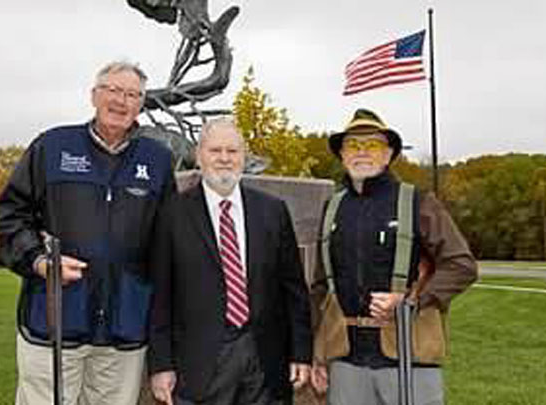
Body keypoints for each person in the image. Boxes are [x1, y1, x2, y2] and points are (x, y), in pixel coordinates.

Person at [0, 61, 176, 405]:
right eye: (112, 90)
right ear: (94, 95)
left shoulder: (157, 160)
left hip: (125, 327)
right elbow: (10, 215)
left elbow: (168, 239)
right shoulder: (52, 147)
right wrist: (38, 261)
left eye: (132, 94)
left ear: (141, 104)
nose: (121, 101)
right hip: (55, 323)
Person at [309, 108, 478, 405]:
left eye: (372, 145)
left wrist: (412, 302)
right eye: (352, 145)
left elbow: (461, 265)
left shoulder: (418, 202)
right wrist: (314, 353)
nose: (362, 152)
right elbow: (321, 288)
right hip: (346, 361)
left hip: (408, 356)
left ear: (388, 155)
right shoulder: (333, 209)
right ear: (342, 155)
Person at [148, 118, 312, 405]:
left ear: (243, 157)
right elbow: (160, 295)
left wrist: (300, 353)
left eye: (232, 151)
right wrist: (161, 364)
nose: (224, 159)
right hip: (200, 362)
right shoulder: (171, 214)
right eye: (215, 151)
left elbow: (294, 290)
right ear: (199, 156)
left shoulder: (272, 211)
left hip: (265, 360)